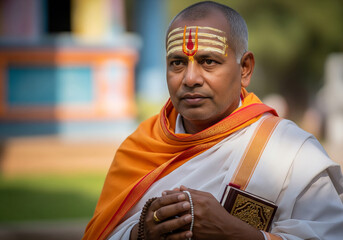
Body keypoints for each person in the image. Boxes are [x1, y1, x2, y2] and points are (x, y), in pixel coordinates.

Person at [83, 1, 343, 240]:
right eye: (177, 63)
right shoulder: (140, 148)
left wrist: (236, 233)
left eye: (208, 61)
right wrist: (140, 233)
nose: (190, 78)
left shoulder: (290, 151)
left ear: (245, 69)